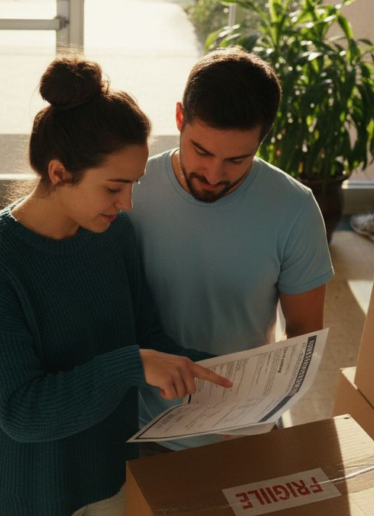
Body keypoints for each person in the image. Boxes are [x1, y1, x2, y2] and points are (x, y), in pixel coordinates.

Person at [0, 54, 232, 516]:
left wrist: (214, 373)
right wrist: (133, 364)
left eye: (134, 185)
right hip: (30, 489)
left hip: (109, 471)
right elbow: (21, 412)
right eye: (113, 188)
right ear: (60, 172)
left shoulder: (114, 234)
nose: (126, 204)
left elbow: (143, 332)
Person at [130, 47, 335, 452]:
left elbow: (304, 336)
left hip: (243, 426)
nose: (213, 173)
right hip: (141, 422)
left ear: (262, 140)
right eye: (201, 151)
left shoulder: (294, 209)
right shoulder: (131, 188)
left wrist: (262, 407)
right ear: (178, 118)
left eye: (236, 160)